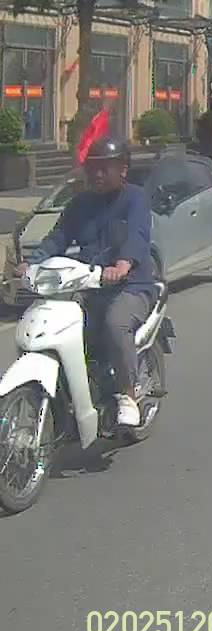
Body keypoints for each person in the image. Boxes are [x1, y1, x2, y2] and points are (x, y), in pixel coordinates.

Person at [16, 136, 157, 426]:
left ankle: (128, 394)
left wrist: (123, 263)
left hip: (131, 286)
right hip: (88, 284)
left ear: (123, 169)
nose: (98, 174)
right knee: (56, 325)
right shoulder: (80, 203)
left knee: (115, 324)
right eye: (93, 168)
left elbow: (138, 235)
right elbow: (59, 237)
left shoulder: (135, 198)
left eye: (105, 168)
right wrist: (33, 262)